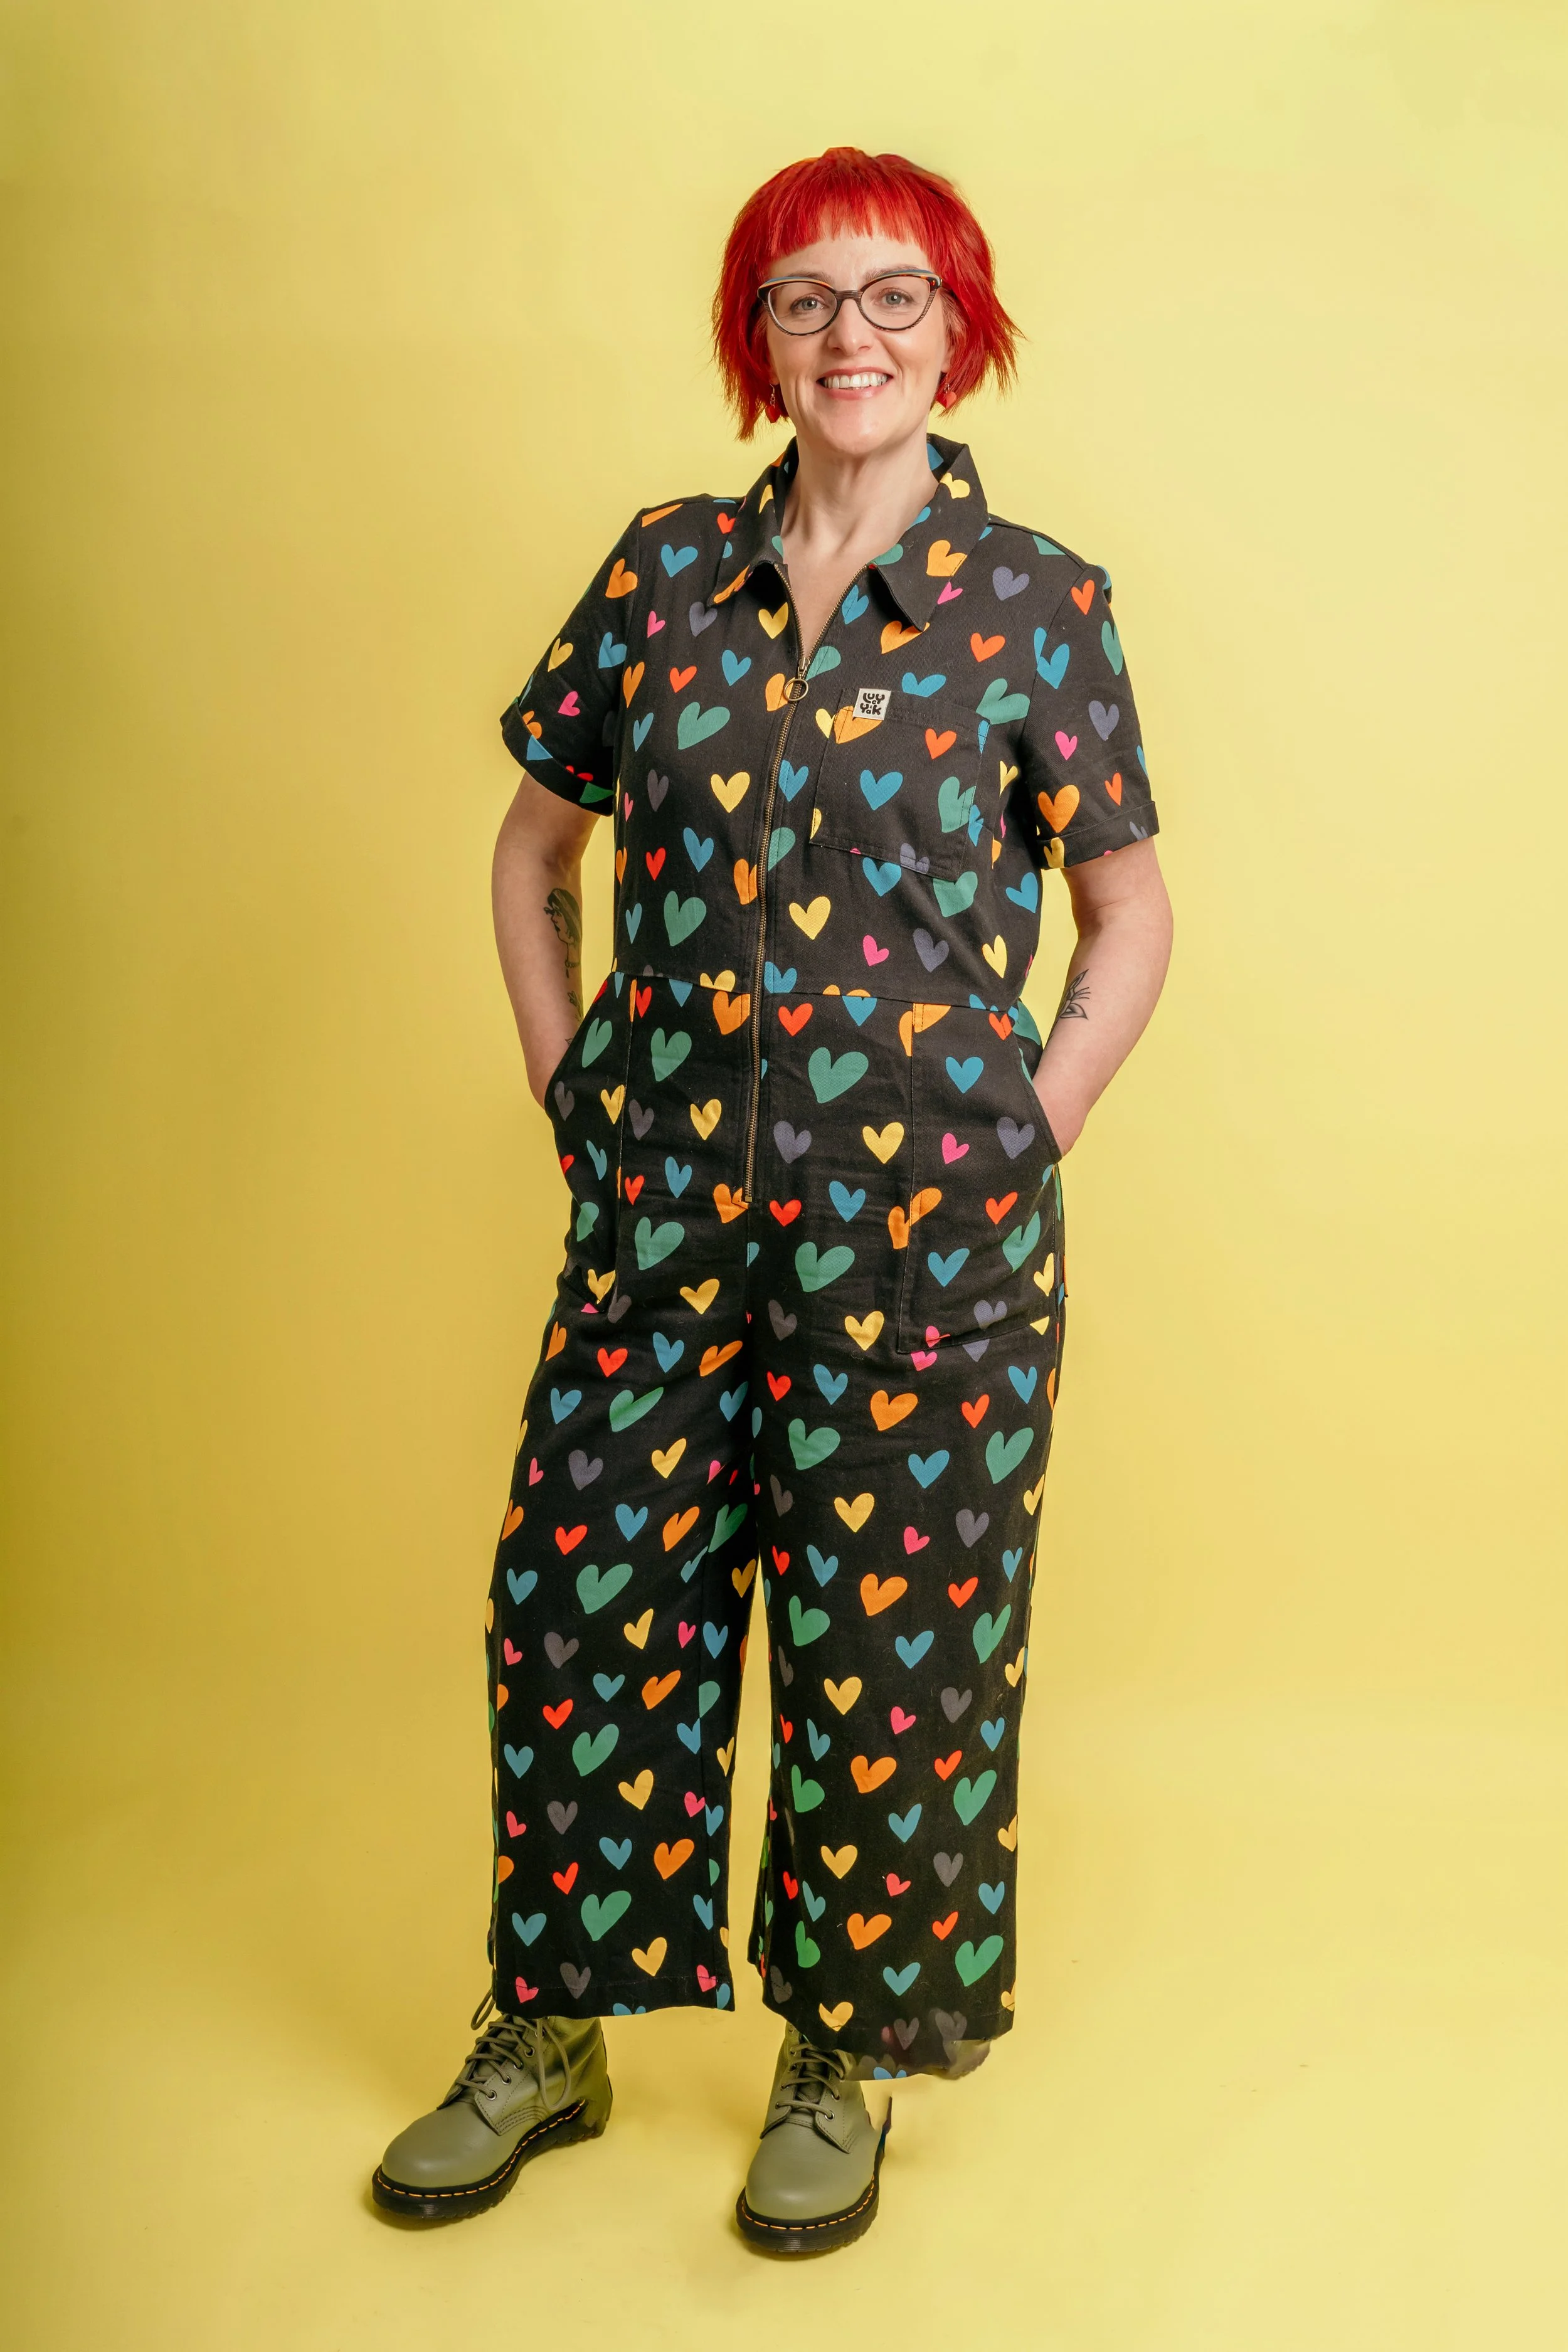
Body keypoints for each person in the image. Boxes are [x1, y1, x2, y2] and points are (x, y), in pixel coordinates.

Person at [372, 144, 1172, 2254]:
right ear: (757, 337)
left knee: (893, 1651)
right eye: (804, 296)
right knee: (581, 1611)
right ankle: (549, 2029)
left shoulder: (1037, 604)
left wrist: (1025, 1127)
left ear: (956, 331)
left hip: (928, 1259)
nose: (851, 332)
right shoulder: (662, 577)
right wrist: (571, 1081)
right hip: (657, 1233)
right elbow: (531, 852)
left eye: (895, 294)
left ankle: (843, 2048)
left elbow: (1128, 910)